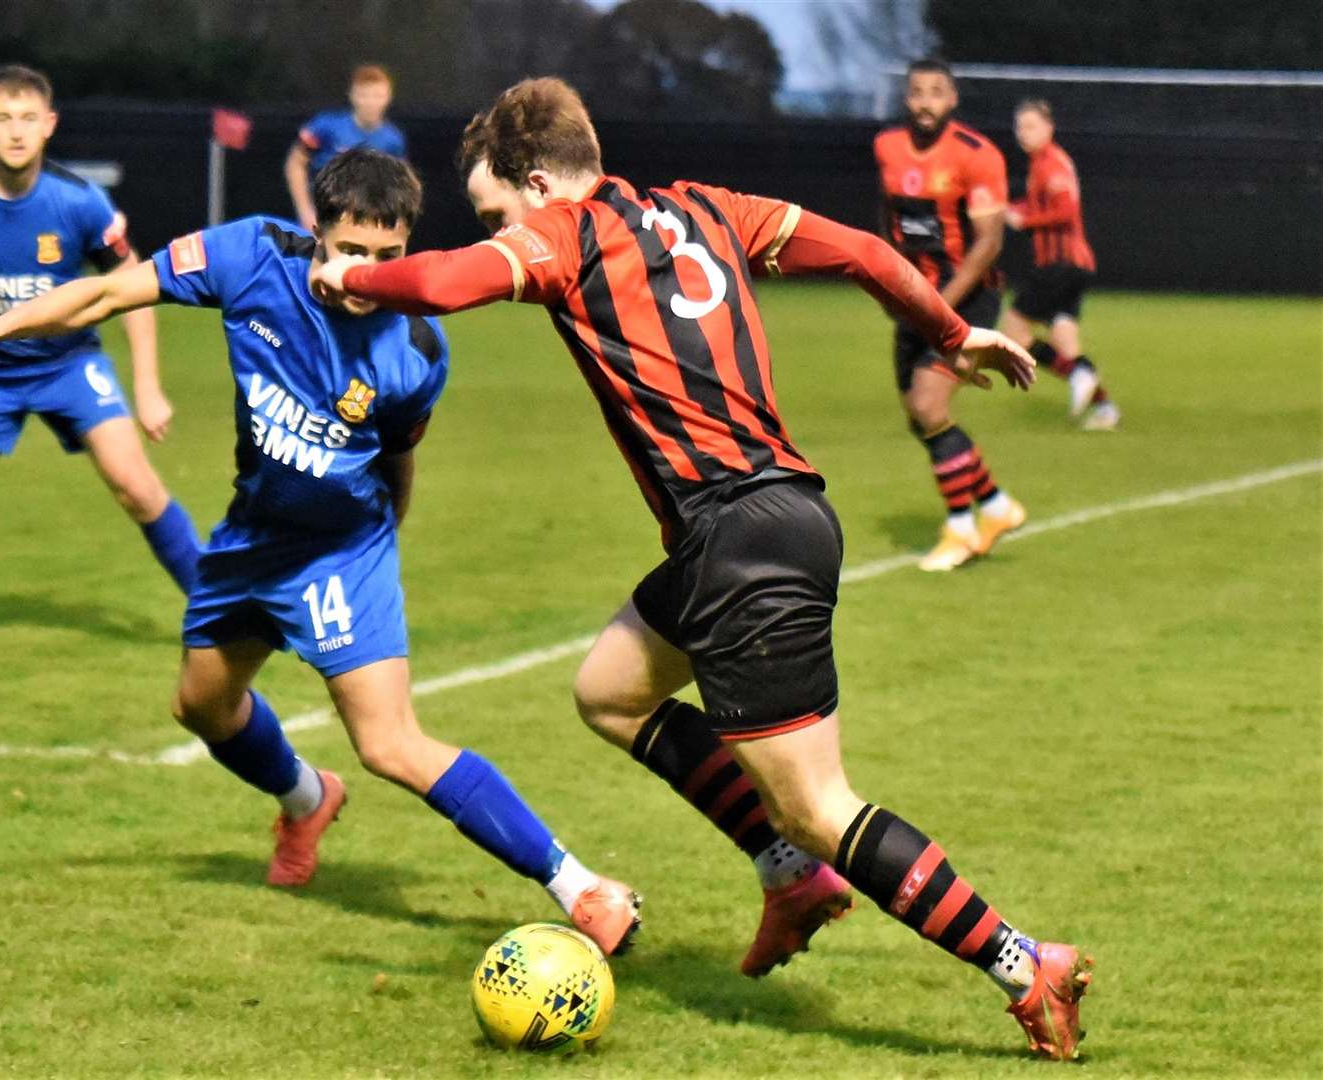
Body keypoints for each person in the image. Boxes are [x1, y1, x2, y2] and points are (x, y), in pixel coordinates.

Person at [310, 77, 1093, 1061]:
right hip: (766, 519)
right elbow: (859, 250)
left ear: (540, 180)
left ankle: (1025, 964)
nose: (493, 232)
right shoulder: (705, 209)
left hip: (738, 540)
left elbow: (438, 283)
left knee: (817, 805)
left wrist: (344, 278)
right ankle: (786, 876)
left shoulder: (563, 232)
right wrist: (948, 329)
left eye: (493, 212)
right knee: (609, 692)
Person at [0, 148, 644, 958]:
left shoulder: (416, 349)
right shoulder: (252, 255)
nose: (364, 274)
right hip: (249, 537)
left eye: (388, 258)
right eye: (350, 252)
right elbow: (111, 291)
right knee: (200, 708)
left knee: (389, 744)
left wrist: (380, 548)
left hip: (339, 553)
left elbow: (398, 455)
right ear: (316, 233)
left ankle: (581, 888)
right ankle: (306, 799)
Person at [0, 64, 198, 613]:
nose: (17, 131)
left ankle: (223, 611)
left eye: (29, 118)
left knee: (136, 486)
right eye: (4, 118)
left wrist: (148, 385)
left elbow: (134, 285)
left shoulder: (80, 202)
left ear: (49, 124)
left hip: (68, 365)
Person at [874, 59, 1025, 572]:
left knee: (931, 407)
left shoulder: (977, 155)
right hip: (914, 299)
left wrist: (940, 306)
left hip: (967, 299)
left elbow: (988, 244)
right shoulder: (888, 148)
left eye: (936, 92)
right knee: (919, 419)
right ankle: (997, 506)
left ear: (953, 98)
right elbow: (888, 220)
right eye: (916, 92)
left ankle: (961, 528)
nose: (924, 102)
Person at [1004, 99, 1120, 431]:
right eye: (1020, 127)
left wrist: (1024, 220)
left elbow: (1065, 210)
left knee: (1013, 332)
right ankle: (1105, 409)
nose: (1023, 133)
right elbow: (1037, 203)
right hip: (1075, 266)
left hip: (1059, 264)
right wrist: (1009, 207)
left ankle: (1078, 375)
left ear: (1049, 128)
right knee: (1066, 343)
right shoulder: (1043, 164)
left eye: (1031, 126)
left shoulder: (1050, 164)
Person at [285, 65, 406, 231]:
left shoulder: (393, 140)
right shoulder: (325, 126)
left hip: (366, 225)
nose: (370, 102)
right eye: (364, 95)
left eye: (377, 96)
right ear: (352, 95)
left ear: (388, 97)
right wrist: (305, 211)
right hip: (323, 219)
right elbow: (295, 164)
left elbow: (398, 185)